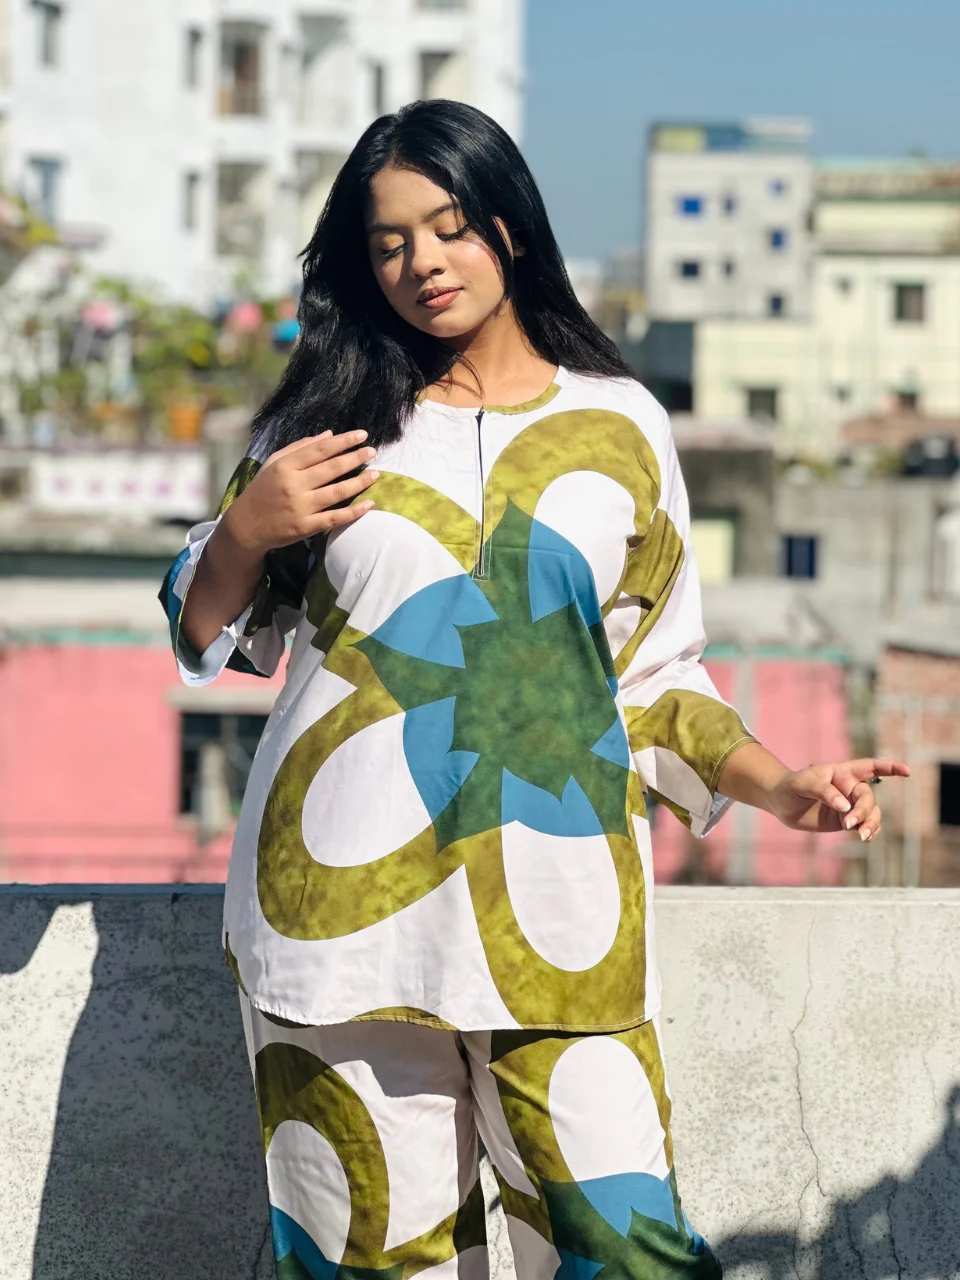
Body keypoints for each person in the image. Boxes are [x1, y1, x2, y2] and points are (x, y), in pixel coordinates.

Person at [160, 100, 908, 1280]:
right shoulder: (327, 424)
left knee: (630, 1252)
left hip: (562, 916)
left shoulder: (618, 424)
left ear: (508, 224)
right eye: (388, 242)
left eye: (447, 226)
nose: (421, 262)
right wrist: (247, 528)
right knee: (372, 1265)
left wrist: (781, 785)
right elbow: (207, 631)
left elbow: (654, 671)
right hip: (338, 923)